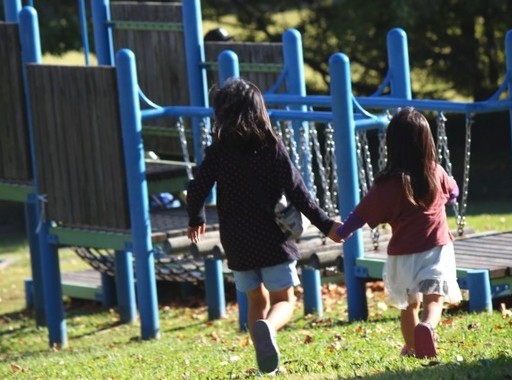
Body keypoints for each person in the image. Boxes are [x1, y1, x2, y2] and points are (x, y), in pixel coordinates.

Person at [186, 77, 341, 373]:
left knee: (255, 298)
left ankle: (266, 365)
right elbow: (299, 192)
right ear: (259, 110)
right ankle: (269, 327)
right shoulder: (271, 148)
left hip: (237, 241)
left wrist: (196, 218)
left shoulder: (219, 152)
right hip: (273, 238)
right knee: (284, 299)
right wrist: (326, 225)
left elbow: (197, 188)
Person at [330, 107, 463, 359]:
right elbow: (454, 192)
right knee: (434, 300)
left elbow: (361, 213)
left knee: (408, 305)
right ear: (427, 142)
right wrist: (448, 198)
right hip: (436, 249)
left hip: (403, 256)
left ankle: (413, 347)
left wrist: (344, 230)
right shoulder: (435, 171)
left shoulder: (388, 183)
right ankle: (428, 327)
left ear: (392, 145)